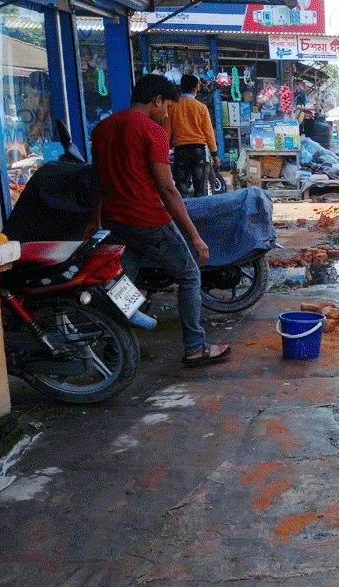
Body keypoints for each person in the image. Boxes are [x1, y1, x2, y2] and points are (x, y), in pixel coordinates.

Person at [87, 74, 230, 367]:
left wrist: (95, 220)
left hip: (116, 222)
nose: (166, 114)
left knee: (122, 287)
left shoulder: (102, 129)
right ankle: (195, 346)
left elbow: (97, 180)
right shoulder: (152, 131)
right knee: (190, 275)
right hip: (149, 219)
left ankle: (116, 351)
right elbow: (167, 188)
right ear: (156, 101)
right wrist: (194, 236)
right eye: (166, 107)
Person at [162, 74, 219, 198]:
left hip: (181, 150)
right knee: (200, 187)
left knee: (181, 184)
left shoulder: (172, 107)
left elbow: (166, 132)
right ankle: (200, 214)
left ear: (181, 88)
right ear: (195, 89)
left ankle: (185, 210)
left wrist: (163, 153)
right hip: (198, 150)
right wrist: (215, 155)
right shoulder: (201, 108)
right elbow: (209, 133)